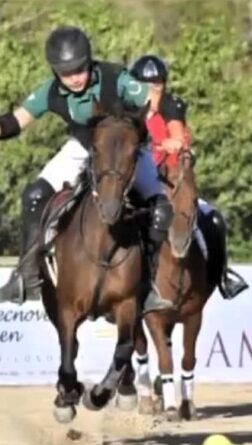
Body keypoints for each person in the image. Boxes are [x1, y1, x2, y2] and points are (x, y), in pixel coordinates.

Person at [0, 26, 174, 312]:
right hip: (83, 147)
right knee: (33, 196)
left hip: (122, 150)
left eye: (80, 70)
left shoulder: (114, 77)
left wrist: (146, 117)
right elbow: (18, 119)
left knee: (161, 210)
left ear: (89, 61)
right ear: (55, 72)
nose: (75, 78)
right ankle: (26, 277)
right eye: (66, 73)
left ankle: (148, 285)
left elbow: (152, 99)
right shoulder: (50, 91)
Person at [130, 54, 248, 299]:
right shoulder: (127, 113)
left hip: (171, 182)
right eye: (146, 85)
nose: (153, 91)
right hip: (137, 185)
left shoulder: (172, 107)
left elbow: (179, 135)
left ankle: (221, 277)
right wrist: (159, 146)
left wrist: (177, 143)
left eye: (158, 84)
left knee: (214, 220)